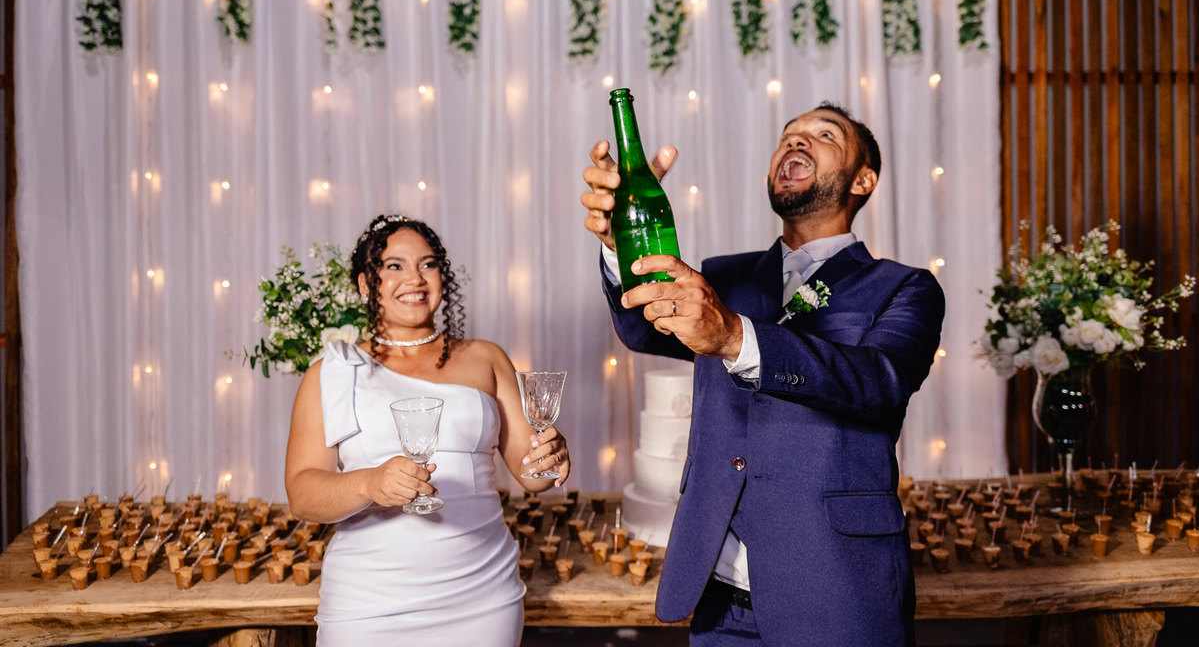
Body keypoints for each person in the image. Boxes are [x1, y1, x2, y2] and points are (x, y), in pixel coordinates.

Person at [580, 104, 945, 646]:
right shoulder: (722, 276)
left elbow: (877, 381)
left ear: (863, 179)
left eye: (823, 135)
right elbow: (643, 330)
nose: (795, 143)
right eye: (786, 137)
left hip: (836, 594)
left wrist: (733, 336)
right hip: (718, 597)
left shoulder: (903, 287)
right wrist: (620, 246)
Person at [285, 214, 570, 646]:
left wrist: (553, 455)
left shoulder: (486, 357)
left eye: (428, 263)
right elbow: (303, 495)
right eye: (394, 266)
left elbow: (534, 476)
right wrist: (371, 482)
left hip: (481, 595)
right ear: (366, 284)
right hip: (369, 601)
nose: (414, 278)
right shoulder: (333, 371)